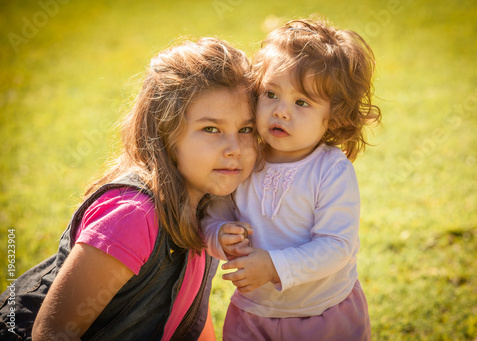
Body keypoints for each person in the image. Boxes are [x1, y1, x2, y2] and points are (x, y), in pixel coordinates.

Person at [0, 37, 257, 341]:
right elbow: (52, 333)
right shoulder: (133, 216)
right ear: (165, 132)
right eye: (211, 129)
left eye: (246, 129)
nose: (235, 148)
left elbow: (189, 321)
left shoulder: (211, 208)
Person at [202, 18, 381, 341]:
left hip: (324, 314)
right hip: (253, 313)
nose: (281, 111)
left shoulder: (330, 170)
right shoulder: (243, 155)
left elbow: (337, 246)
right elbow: (214, 208)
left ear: (334, 117)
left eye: (301, 102)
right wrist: (218, 234)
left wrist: (273, 266)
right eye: (271, 94)